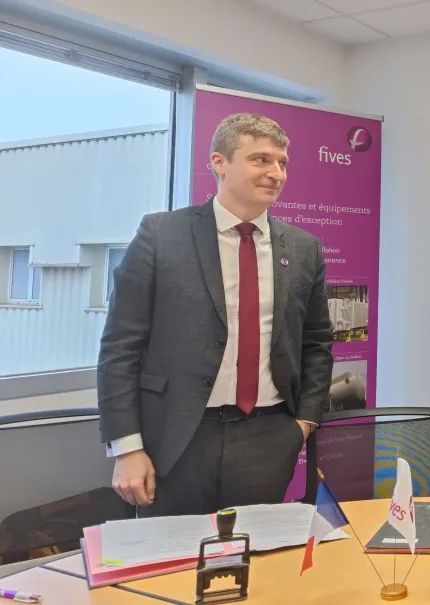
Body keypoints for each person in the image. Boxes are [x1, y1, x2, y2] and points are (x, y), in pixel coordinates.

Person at [98, 113, 333, 516]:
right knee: (172, 553)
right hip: (177, 437)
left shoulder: (304, 248)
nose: (276, 173)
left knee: (256, 549)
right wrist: (127, 447)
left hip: (268, 436)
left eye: (282, 162)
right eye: (260, 160)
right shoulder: (160, 236)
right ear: (219, 162)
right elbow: (120, 347)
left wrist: (303, 424)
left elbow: (317, 343)